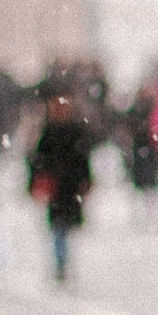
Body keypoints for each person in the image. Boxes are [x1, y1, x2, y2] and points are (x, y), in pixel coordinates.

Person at [25, 82, 95, 284]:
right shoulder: (47, 132)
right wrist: (35, 183)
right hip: (56, 188)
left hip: (70, 187)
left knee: (66, 228)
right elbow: (37, 162)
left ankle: (63, 262)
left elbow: (83, 160)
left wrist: (86, 181)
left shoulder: (75, 130)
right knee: (59, 228)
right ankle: (61, 262)